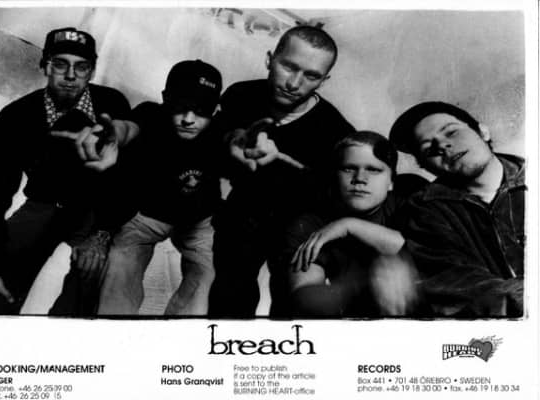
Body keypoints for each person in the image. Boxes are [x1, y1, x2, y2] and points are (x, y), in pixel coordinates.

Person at [208, 25, 356, 318]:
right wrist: (233, 140)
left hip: (299, 226)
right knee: (228, 300)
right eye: (289, 66)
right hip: (243, 216)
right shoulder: (240, 95)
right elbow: (218, 137)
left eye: (311, 76)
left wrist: (286, 163)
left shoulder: (336, 132)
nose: (294, 83)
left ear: (324, 80)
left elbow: (336, 196)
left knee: (290, 310)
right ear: (270, 59)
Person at [0, 27, 135, 314]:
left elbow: (126, 178)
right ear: (44, 65)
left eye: (81, 67)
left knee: (93, 274)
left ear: (92, 71)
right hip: (44, 204)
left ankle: (69, 332)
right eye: (60, 64)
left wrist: (102, 233)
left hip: (94, 209)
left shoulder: (112, 104)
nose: (71, 75)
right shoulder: (15, 117)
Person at [97, 60, 223, 316]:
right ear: (166, 99)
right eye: (181, 107)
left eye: (201, 111)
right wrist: (113, 135)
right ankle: (114, 333)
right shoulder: (150, 114)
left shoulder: (221, 127)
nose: (188, 119)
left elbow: (236, 140)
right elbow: (129, 128)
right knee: (117, 271)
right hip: (147, 217)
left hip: (197, 221)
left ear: (215, 110)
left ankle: (176, 335)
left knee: (209, 277)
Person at [389, 101, 525, 317]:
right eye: (428, 148)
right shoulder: (426, 211)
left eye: (451, 132)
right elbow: (457, 284)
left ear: (483, 132)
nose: (442, 145)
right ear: (424, 165)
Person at [286, 132, 424, 317]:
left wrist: (350, 225)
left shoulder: (411, 203)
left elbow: (426, 253)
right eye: (348, 168)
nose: (360, 178)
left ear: (391, 181)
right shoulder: (310, 224)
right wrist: (365, 285)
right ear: (334, 175)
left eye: (373, 170)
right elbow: (303, 296)